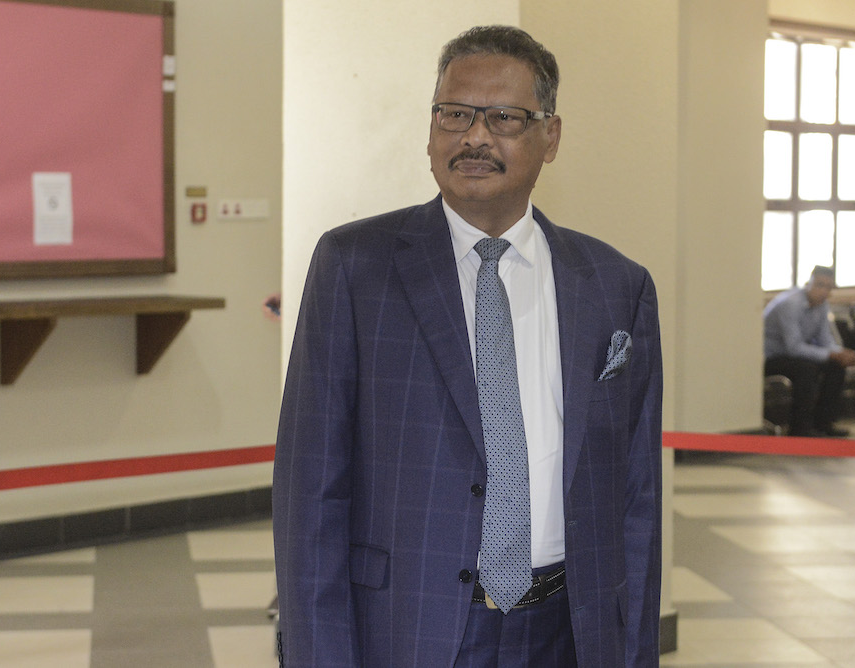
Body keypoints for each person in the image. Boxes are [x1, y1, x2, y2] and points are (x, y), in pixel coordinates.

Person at [272, 26, 663, 667]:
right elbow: (311, 490)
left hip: (572, 628)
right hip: (407, 625)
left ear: (550, 136)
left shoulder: (617, 285)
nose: (474, 137)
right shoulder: (355, 266)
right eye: (454, 114)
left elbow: (637, 500)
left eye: (504, 118)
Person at [763, 265, 855, 437]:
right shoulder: (790, 304)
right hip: (771, 356)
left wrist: (841, 353)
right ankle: (800, 428)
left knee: (836, 367)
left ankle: (824, 423)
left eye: (828, 287)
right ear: (808, 283)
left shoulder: (822, 306)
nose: (823, 291)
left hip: (795, 354)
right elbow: (793, 347)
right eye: (819, 285)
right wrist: (831, 354)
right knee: (807, 369)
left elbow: (825, 340)